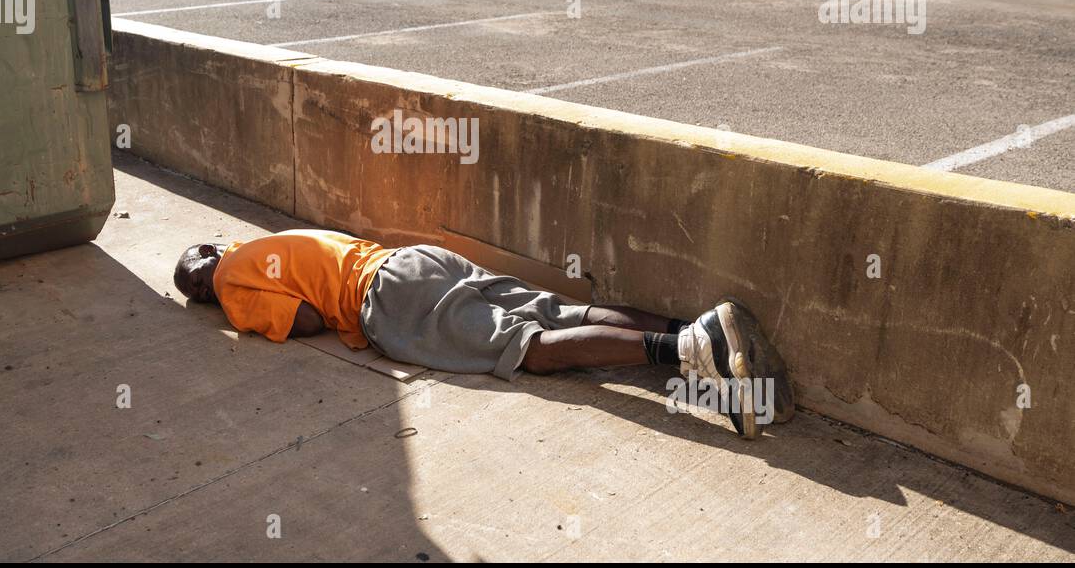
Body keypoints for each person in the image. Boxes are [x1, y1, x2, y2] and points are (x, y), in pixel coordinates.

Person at [174, 229, 785, 437]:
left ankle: (689, 351)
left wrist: (238, 312)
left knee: (529, 350)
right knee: (561, 311)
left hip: (388, 301)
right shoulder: (255, 245)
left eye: (195, 286)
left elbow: (304, 322)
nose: (205, 293)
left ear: (205, 270)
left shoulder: (230, 283)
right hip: (414, 259)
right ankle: (705, 333)